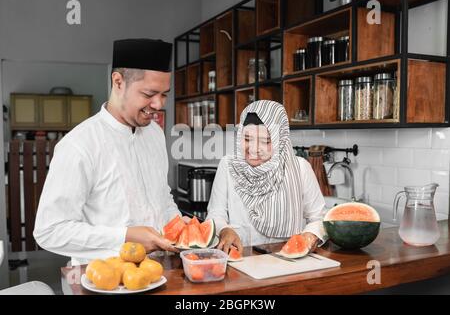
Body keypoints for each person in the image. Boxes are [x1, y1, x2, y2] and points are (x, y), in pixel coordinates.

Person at [34, 39, 181, 266]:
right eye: (149, 93)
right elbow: (50, 230)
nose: (159, 104)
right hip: (102, 280)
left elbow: (163, 199)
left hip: (157, 274)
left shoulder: (155, 134)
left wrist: (187, 228)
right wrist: (124, 237)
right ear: (118, 81)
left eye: (164, 94)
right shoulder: (79, 144)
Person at [207, 100, 328, 254]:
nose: (254, 149)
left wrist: (310, 235)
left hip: (289, 265)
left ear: (281, 140)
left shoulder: (300, 168)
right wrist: (224, 229)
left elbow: (319, 218)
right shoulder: (228, 165)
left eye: (265, 141)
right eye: (247, 139)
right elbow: (216, 213)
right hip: (242, 261)